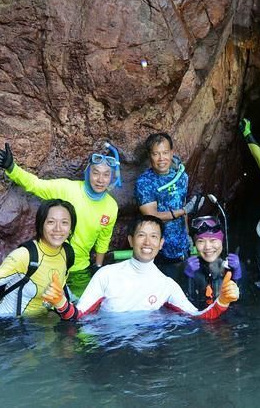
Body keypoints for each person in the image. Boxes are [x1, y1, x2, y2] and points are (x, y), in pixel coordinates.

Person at [42, 215, 240, 321]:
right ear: (130, 240)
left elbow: (199, 317)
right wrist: (60, 302)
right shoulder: (106, 274)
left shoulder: (166, 285)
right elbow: (77, 315)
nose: (147, 242)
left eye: (154, 236)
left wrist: (223, 300)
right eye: (141, 235)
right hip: (108, 348)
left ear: (161, 244)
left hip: (148, 351)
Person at [0, 142, 119, 297]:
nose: (100, 179)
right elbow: (36, 185)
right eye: (96, 173)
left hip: (79, 270)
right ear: (88, 173)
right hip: (50, 265)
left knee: (81, 309)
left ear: (111, 178)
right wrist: (12, 168)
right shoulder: (68, 189)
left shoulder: (111, 207)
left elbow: (103, 240)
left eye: (106, 175)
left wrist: (98, 267)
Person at [0, 199, 77, 318]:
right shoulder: (24, 256)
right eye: (51, 222)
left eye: (64, 222)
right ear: (41, 225)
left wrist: (77, 304)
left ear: (70, 229)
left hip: (40, 320)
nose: (58, 228)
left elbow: (62, 286)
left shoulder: (67, 253)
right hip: (7, 322)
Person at [134, 133, 203, 279]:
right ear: (150, 156)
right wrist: (183, 211)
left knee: (186, 287)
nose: (161, 158)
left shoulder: (181, 176)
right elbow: (151, 216)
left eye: (165, 153)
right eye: (156, 154)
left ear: (172, 152)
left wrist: (187, 234)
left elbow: (182, 204)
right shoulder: (144, 182)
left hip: (182, 248)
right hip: (158, 252)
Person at [183, 216, 242, 309]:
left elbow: (244, 303)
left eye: (213, 240)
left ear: (222, 241)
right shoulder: (189, 268)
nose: (207, 247)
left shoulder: (235, 266)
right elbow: (184, 307)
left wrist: (237, 275)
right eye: (200, 241)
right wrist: (187, 278)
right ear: (194, 244)